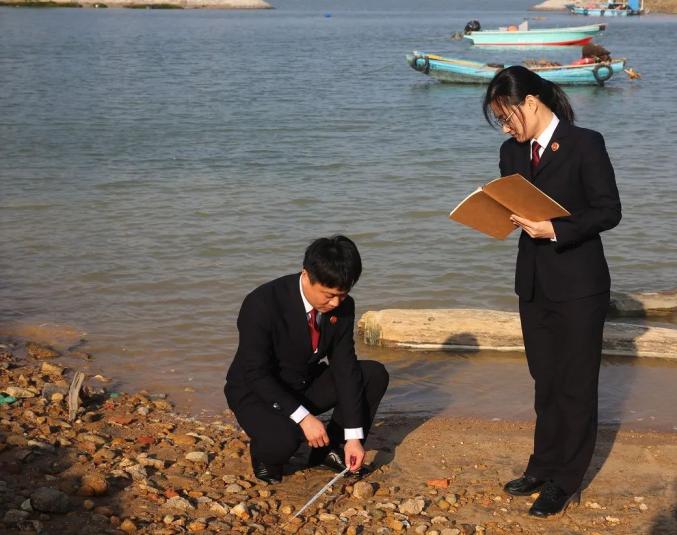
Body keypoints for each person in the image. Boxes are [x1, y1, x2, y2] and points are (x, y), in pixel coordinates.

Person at [482, 66, 621, 517]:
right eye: (499, 121)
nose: (505, 128)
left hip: (580, 284)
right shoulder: (510, 152)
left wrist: (556, 229)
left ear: (531, 102)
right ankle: (541, 466)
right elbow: (513, 207)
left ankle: (565, 480)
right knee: (545, 382)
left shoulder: (585, 143)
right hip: (533, 282)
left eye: (506, 117)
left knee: (576, 386)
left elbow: (608, 210)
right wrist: (495, 217)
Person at [224, 235, 389, 484]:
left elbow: (344, 367)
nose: (335, 303)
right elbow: (256, 373)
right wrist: (304, 418)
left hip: (303, 382)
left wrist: (354, 436)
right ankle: (264, 456)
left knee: (372, 374)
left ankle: (328, 451)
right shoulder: (261, 303)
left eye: (343, 295)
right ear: (306, 274)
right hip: (256, 390)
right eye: (328, 295)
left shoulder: (343, 306)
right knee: (285, 440)